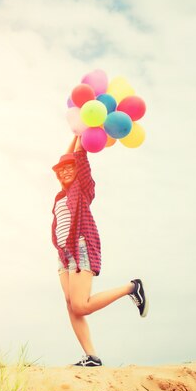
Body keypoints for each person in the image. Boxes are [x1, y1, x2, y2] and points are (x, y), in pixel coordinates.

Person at [51, 135, 148, 367]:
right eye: (60, 170)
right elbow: (66, 159)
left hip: (80, 246)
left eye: (68, 169)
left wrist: (79, 134)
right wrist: (72, 133)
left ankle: (132, 287)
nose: (64, 172)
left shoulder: (82, 188)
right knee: (70, 303)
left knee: (81, 305)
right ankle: (91, 356)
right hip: (64, 254)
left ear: (77, 171)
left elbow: (78, 156)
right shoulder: (60, 195)